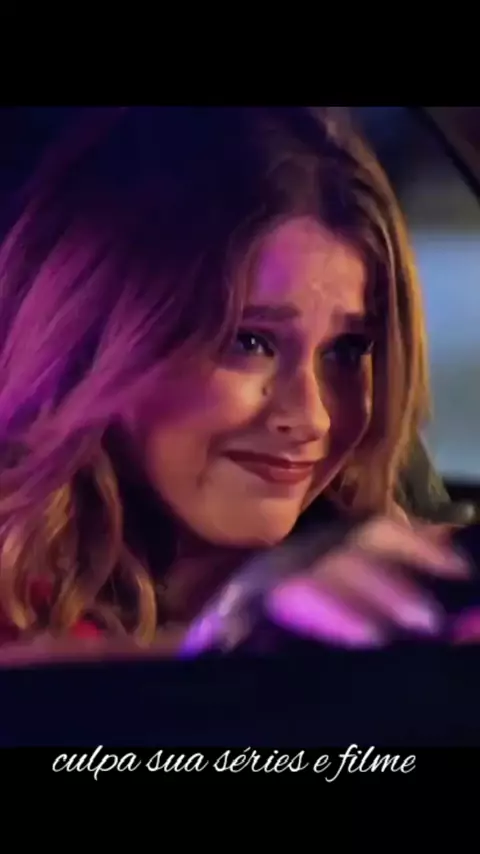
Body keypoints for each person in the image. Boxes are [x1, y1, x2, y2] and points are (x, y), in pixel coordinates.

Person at [0, 105, 475, 667]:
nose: (313, 417)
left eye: (348, 351)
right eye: (249, 342)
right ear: (95, 348)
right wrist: (234, 641)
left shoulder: (387, 579)